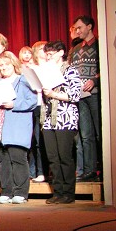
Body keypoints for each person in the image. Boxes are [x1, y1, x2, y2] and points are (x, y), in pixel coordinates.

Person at [0, 52, 37, 204]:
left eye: (6, 64)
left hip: (16, 126)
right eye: (1, 65)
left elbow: (32, 101)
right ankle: (6, 191)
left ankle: (21, 192)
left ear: (14, 64)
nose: (3, 67)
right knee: (2, 160)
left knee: (18, 158)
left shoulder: (23, 80)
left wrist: (14, 104)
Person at [41, 40, 82, 204]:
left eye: (51, 54)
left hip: (65, 118)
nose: (48, 57)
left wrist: (54, 94)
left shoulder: (70, 70)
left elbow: (76, 95)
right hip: (48, 118)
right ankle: (57, 192)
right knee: (53, 157)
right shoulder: (45, 71)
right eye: (47, 54)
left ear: (61, 53)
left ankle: (68, 193)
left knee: (65, 156)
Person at [70, 15, 101, 182]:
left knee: (99, 133)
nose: (77, 31)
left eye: (80, 27)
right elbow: (72, 71)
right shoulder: (76, 49)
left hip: (95, 94)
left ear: (89, 27)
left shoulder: (99, 45)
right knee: (86, 135)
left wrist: (94, 79)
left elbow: (106, 68)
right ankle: (90, 170)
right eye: (76, 28)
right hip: (80, 97)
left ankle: (103, 168)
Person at [29, 40, 49, 182]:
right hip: (35, 105)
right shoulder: (33, 69)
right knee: (35, 140)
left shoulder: (51, 67)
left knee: (43, 140)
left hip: (46, 105)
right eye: (42, 48)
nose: (45, 51)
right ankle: (36, 171)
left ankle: (44, 171)